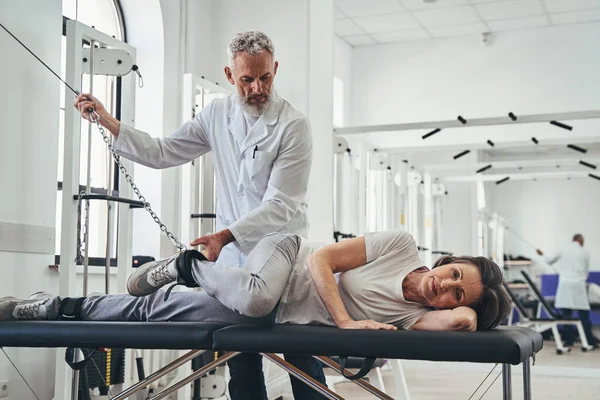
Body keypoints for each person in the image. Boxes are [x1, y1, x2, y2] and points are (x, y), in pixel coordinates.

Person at [72, 31, 324, 399]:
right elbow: (162, 152)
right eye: (247, 79)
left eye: (265, 77)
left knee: (300, 353)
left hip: (283, 254)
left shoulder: (294, 126)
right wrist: (110, 122)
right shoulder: (216, 115)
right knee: (241, 354)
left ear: (275, 69)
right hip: (236, 259)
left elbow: (281, 205)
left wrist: (224, 236)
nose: (257, 88)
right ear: (228, 74)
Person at [1, 230, 511, 335]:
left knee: (151, 312)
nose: (444, 289)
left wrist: (477, 308)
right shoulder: (400, 246)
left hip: (264, 310)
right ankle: (187, 266)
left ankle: (48, 306)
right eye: (454, 274)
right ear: (449, 258)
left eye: (455, 293)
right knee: (259, 294)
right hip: (284, 256)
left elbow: (460, 323)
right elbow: (323, 263)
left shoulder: (416, 316)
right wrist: (346, 321)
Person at [537, 234, 598, 349]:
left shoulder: (563, 249)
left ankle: (569, 341)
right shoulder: (585, 252)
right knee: (584, 315)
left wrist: (542, 254)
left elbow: (549, 261)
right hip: (578, 285)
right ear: (580, 240)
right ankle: (590, 341)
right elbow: (586, 273)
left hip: (565, 286)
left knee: (566, 315)